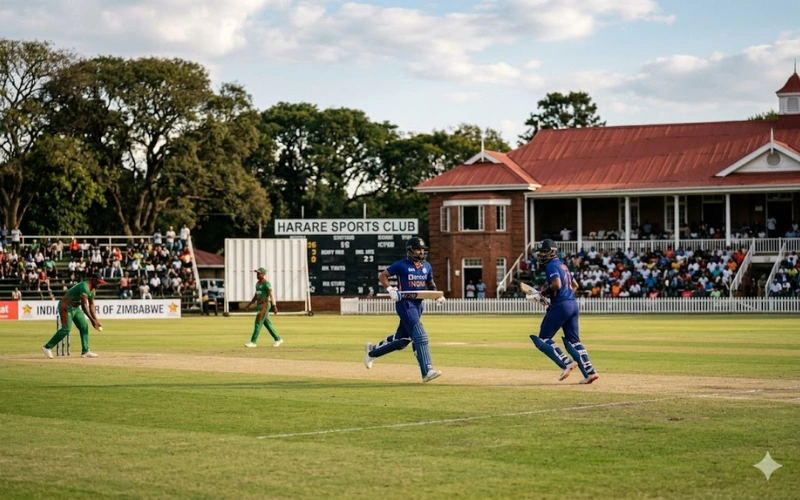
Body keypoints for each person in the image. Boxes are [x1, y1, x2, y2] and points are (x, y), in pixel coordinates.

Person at [364, 236, 445, 383]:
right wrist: (390, 289)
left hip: (418, 305)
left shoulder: (427, 266)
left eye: (422, 249)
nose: (421, 252)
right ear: (410, 250)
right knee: (419, 334)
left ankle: (372, 351)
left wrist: (437, 295)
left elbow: (430, 282)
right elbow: (383, 275)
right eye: (418, 249)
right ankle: (427, 371)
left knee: (402, 340)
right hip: (405, 303)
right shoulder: (401, 265)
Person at [527, 239, 599, 384]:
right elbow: (575, 285)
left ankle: (566, 362)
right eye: (540, 252)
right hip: (572, 304)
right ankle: (590, 372)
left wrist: (542, 294)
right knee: (574, 341)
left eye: (544, 251)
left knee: (543, 338)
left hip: (561, 305)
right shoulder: (563, 266)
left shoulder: (551, 266)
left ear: (552, 252)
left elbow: (557, 285)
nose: (541, 255)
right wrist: (565, 296)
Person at [41, 273, 107, 359]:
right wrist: (92, 320)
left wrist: (96, 320)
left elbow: (91, 305)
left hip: (75, 307)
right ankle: (47, 347)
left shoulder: (93, 289)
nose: (99, 285)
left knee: (84, 326)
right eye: (98, 282)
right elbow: (84, 306)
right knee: (66, 328)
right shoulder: (85, 287)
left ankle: (85, 351)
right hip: (66, 305)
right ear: (93, 280)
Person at [244, 267, 283, 347]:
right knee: (268, 324)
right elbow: (256, 296)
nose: (257, 275)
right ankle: (278, 339)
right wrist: (249, 304)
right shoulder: (257, 284)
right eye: (257, 273)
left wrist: (274, 306)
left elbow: (271, 295)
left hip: (265, 305)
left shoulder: (266, 284)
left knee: (258, 323)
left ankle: (253, 342)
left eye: (259, 273)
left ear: (263, 274)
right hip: (259, 305)